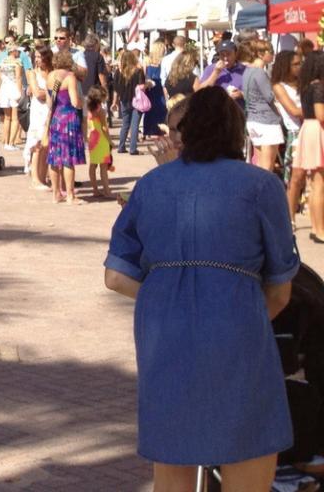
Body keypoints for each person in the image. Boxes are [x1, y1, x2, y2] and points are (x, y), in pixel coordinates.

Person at [104, 85, 298, 489]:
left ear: (186, 132)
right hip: (237, 330)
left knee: (172, 469)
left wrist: (167, 296)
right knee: (248, 450)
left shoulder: (151, 186)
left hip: (165, 336)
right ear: (235, 131)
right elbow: (281, 290)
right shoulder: (262, 187)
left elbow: (115, 276)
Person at [292, 53, 324, 246]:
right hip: (317, 130)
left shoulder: (307, 87)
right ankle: (319, 229)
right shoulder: (318, 87)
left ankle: (316, 227)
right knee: (319, 183)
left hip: (310, 129)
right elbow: (321, 114)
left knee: (315, 183)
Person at [242, 40, 283, 173]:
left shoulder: (248, 71)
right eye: (270, 51)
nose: (273, 55)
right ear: (260, 54)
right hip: (266, 121)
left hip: (253, 119)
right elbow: (270, 96)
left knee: (260, 164)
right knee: (267, 166)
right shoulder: (260, 73)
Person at [25, 47, 55, 190]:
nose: (37, 60)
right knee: (37, 145)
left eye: (40, 57)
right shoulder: (32, 73)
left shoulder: (52, 73)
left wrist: (48, 94)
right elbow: (37, 93)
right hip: (38, 112)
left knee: (47, 145)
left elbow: (56, 93)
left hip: (50, 112)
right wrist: (49, 93)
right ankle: (35, 178)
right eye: (35, 57)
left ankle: (43, 177)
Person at [197, 39, 246, 107]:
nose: (225, 58)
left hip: (238, 111)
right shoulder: (211, 69)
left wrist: (241, 94)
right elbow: (201, 91)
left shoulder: (244, 70)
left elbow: (254, 93)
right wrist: (216, 72)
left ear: (235, 54)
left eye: (228, 54)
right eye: (222, 55)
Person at [84, 88, 113, 199]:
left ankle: (95, 189)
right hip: (101, 140)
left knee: (93, 165)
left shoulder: (89, 108)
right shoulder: (100, 110)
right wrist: (110, 141)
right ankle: (106, 190)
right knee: (103, 167)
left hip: (92, 138)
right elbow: (104, 128)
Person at [0, 44, 24, 148]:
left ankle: (6, 141)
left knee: (7, 118)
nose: (18, 53)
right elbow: (18, 78)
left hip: (4, 89)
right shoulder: (17, 62)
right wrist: (20, 92)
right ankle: (11, 143)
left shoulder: (3, 62)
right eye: (17, 51)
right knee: (15, 118)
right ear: (13, 52)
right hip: (13, 88)